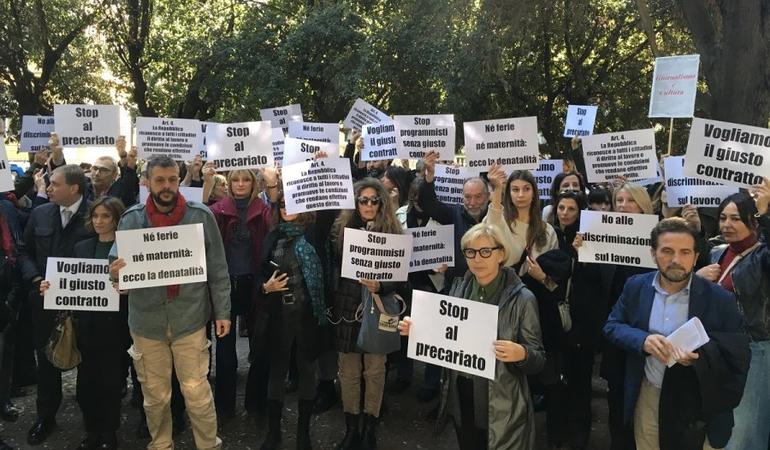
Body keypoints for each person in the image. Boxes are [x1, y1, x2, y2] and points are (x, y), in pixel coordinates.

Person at [109, 155, 231, 450]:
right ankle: (161, 444)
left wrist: (222, 312)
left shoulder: (201, 216)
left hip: (189, 320)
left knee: (197, 393)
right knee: (155, 397)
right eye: (160, 180)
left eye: (172, 180)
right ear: (147, 182)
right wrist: (115, 273)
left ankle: (208, 445)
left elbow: (218, 269)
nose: (167, 186)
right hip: (146, 324)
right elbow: (117, 268)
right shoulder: (131, 219)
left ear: (179, 179)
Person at [604, 217, 750, 450]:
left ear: (695, 257)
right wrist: (643, 340)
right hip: (650, 393)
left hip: (697, 400)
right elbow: (612, 326)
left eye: (685, 252)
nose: (676, 260)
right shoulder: (636, 286)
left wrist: (701, 354)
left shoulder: (720, 299)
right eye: (667, 251)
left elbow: (738, 352)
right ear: (653, 253)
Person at [399, 223, 546, 449]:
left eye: (485, 251)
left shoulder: (523, 299)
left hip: (501, 399)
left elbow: (538, 359)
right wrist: (417, 330)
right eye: (470, 252)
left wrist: (523, 353)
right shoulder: (458, 288)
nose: (477, 258)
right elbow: (444, 332)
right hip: (462, 393)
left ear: (501, 254)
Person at [39, 196, 130, 449]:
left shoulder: (126, 248)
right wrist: (51, 286)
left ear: (117, 219)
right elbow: (70, 279)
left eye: (106, 216)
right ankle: (92, 430)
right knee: (86, 385)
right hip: (86, 326)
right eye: (95, 216)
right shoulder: (82, 247)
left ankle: (109, 432)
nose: (99, 221)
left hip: (116, 326)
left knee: (111, 383)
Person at [17, 164, 95, 445]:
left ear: (74, 188)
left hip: (85, 306)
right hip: (44, 302)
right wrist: (35, 278)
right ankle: (46, 417)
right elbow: (24, 251)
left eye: (54, 184)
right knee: (46, 363)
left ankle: (92, 419)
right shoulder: (40, 213)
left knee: (88, 363)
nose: (47, 188)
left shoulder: (96, 214)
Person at [329, 177, 405, 449]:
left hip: (379, 305)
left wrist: (382, 284)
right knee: (348, 370)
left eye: (375, 200)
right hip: (348, 306)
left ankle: (370, 426)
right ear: (356, 203)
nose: (369, 205)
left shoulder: (395, 232)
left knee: (375, 369)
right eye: (364, 200)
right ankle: (351, 429)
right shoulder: (341, 230)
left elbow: (401, 277)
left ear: (382, 202)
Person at [256, 191, 334, 450]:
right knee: (276, 373)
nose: (288, 208)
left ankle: (303, 434)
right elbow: (259, 278)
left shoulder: (313, 234)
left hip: (308, 317)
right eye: (283, 204)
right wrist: (265, 288)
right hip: (279, 318)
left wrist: (324, 167)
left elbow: (328, 212)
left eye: (294, 202)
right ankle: (274, 433)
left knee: (307, 374)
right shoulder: (272, 237)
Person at [696, 180, 770, 450]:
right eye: (723, 217)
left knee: (745, 431)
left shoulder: (762, 255)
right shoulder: (717, 252)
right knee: (723, 427)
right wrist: (698, 279)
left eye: (736, 218)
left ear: (753, 222)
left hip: (754, 350)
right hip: (717, 349)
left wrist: (766, 213)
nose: (727, 224)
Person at [208, 168, 276, 418]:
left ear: (254, 182)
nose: (240, 184)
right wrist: (203, 180)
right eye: (235, 179)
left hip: (256, 285)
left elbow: (278, 223)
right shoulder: (217, 211)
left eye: (245, 179)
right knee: (225, 349)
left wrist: (273, 188)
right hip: (225, 285)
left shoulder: (265, 210)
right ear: (228, 182)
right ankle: (224, 406)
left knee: (260, 347)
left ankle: (255, 403)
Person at [418, 151, 489, 285]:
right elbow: (428, 204)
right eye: (467, 197)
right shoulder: (454, 213)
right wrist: (430, 176)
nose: (472, 203)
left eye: (478, 197)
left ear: (487, 196)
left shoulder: (495, 217)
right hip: (457, 289)